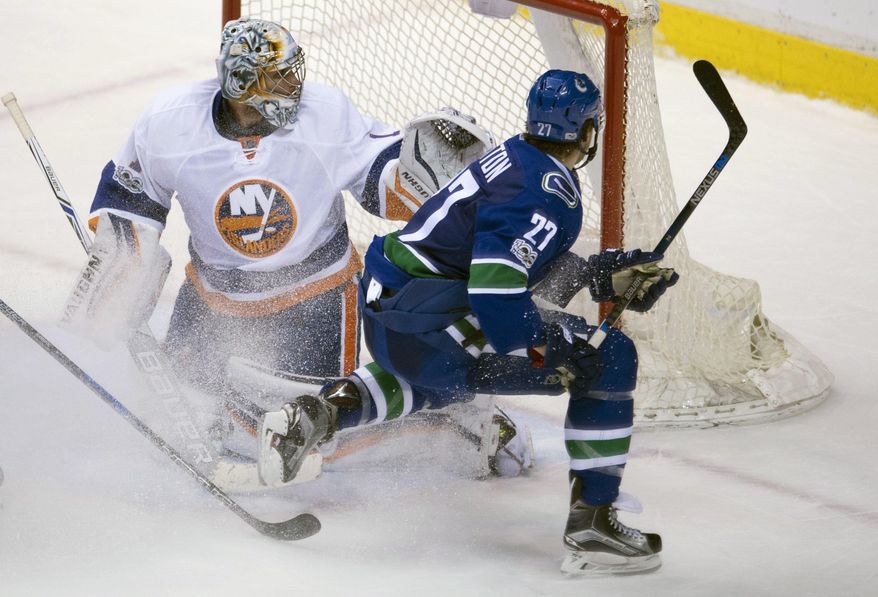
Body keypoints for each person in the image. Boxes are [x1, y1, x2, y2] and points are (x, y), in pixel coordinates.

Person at [257, 69, 679, 575]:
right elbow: (496, 286)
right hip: (428, 320)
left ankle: (318, 414)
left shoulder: (517, 157)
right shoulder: (544, 190)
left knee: (443, 373)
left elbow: (510, 260)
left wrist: (596, 277)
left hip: (403, 314)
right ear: (587, 131)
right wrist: (539, 352)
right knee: (607, 356)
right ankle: (594, 526)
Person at [64, 18, 495, 471]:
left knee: (298, 438)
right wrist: (125, 265)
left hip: (315, 302)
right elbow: (132, 194)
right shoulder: (170, 121)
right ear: (240, 82)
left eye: (292, 71)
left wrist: (425, 178)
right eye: (279, 76)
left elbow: (379, 177)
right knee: (176, 416)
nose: (294, 84)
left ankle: (453, 423)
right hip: (212, 300)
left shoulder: (325, 114)